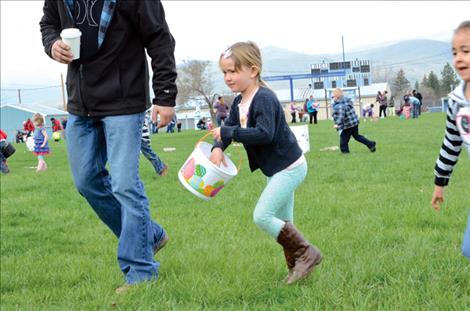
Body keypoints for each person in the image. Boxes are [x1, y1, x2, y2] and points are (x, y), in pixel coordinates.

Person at [40, 0, 176, 293]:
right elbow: (48, 24)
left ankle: (141, 272)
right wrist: (52, 44)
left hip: (124, 100)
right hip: (81, 103)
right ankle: (150, 235)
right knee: (86, 181)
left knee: (126, 183)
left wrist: (165, 95)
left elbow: (159, 37)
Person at [210, 41, 322, 285]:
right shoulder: (239, 101)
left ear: (253, 70)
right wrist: (218, 147)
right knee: (284, 222)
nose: (227, 77)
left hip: (289, 167)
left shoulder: (264, 98)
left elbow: (264, 133)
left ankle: (307, 253)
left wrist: (229, 134)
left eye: (233, 71)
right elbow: (228, 128)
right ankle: (296, 269)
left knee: (262, 216)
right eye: (224, 72)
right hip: (276, 168)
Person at [431, 20, 470, 260]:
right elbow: (450, 145)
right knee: (468, 249)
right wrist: (439, 183)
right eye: (454, 52)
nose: (459, 58)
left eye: (466, 51)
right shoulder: (456, 102)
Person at [332, 88, 376, 154]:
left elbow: (341, 116)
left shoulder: (340, 105)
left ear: (337, 97)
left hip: (348, 125)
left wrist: (337, 124)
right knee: (357, 136)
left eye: (333, 96)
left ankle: (345, 152)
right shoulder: (346, 101)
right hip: (354, 122)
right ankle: (370, 144)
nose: (332, 98)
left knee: (343, 139)